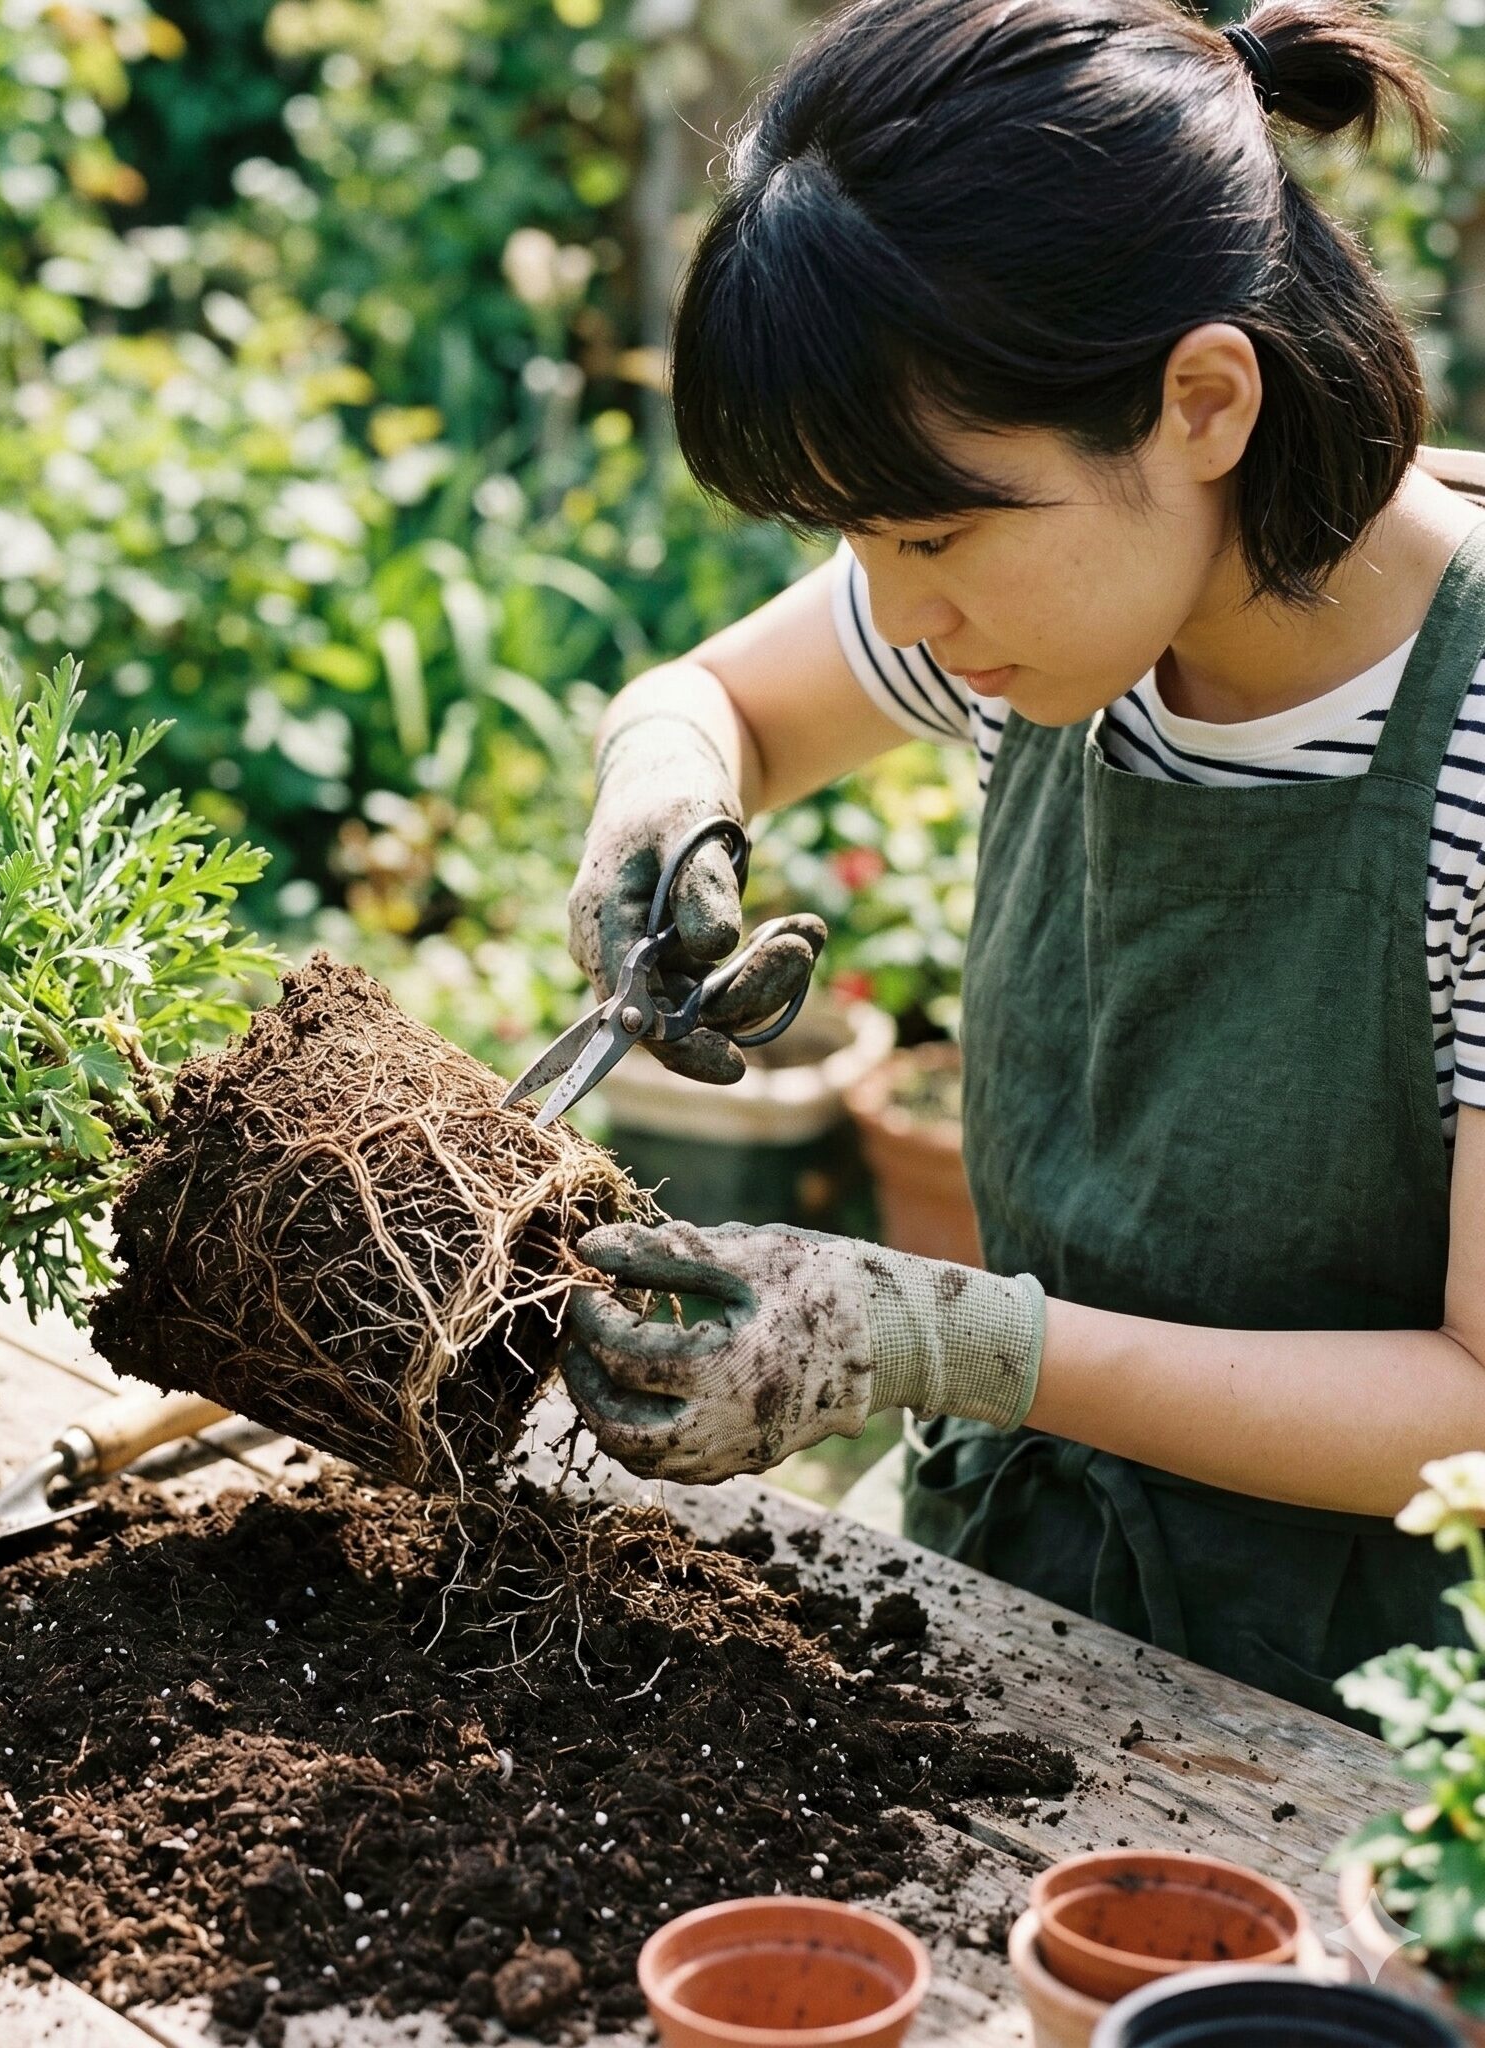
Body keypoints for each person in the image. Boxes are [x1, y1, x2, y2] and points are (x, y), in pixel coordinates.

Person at [558, 0, 1485, 1715]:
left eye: (931, 529)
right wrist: (665, 792)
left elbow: (1479, 1413)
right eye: (853, 535)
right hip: (1023, 1618)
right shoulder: (1062, 595)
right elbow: (710, 696)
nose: (897, 612)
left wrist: (947, 1340)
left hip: (1388, 1730)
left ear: (1203, 402)